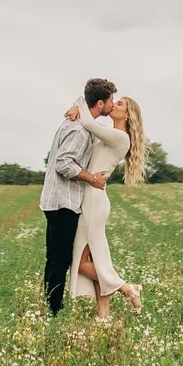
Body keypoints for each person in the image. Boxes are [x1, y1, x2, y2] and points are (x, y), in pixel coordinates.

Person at [39, 78, 117, 315]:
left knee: (54, 257)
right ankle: (54, 310)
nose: (113, 104)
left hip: (55, 200)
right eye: (111, 100)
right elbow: (64, 164)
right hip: (64, 201)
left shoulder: (75, 121)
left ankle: (48, 305)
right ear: (100, 102)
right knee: (60, 260)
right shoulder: (80, 131)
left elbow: (82, 103)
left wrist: (76, 104)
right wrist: (91, 178)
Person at [66, 93, 145, 320]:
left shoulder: (121, 138)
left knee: (80, 262)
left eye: (119, 104)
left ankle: (127, 288)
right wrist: (75, 106)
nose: (114, 104)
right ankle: (103, 316)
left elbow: (88, 122)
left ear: (127, 115)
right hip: (92, 198)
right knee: (94, 260)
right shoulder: (109, 134)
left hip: (94, 201)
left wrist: (78, 103)